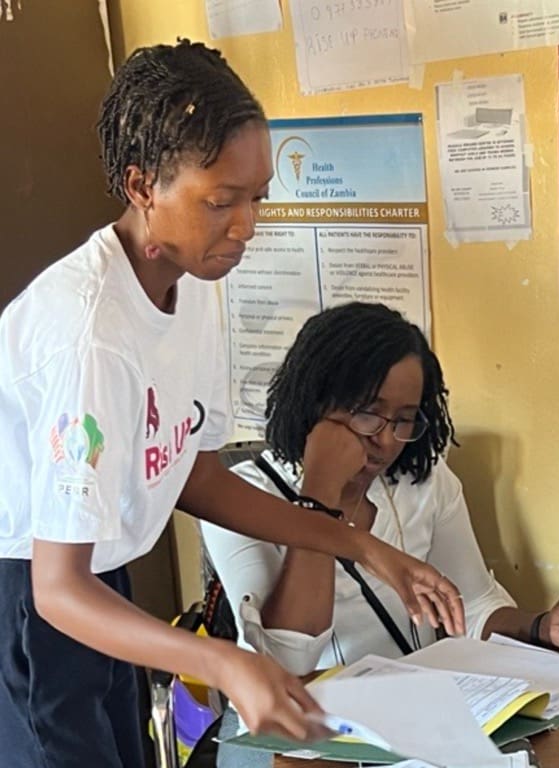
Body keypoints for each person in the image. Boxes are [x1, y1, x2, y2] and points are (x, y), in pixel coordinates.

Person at [0, 42, 463, 768]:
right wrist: (224, 663)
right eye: (222, 202)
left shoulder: (193, 283)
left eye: (258, 197)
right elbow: (56, 591)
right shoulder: (91, 336)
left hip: (97, 576)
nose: (247, 225)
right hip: (30, 597)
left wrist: (365, 547)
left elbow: (195, 475)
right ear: (142, 184)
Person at [203, 302, 559, 679]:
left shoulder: (423, 482)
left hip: (418, 720)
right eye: (369, 413)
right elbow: (286, 663)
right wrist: (321, 489)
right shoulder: (240, 500)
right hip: (308, 744)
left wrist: (543, 628)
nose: (386, 441)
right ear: (314, 402)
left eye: (404, 419)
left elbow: (473, 606)